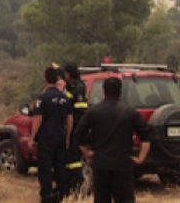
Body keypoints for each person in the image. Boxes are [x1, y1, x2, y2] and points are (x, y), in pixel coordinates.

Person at [74, 77, 150, 203]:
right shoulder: (130, 112)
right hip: (123, 164)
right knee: (125, 199)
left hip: (101, 163)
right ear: (120, 91)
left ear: (103, 91)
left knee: (102, 199)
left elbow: (78, 134)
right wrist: (141, 157)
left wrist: (87, 152)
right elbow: (146, 136)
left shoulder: (93, 111)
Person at [28, 66, 73, 203]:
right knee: (60, 166)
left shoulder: (43, 98)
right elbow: (69, 119)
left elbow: (38, 119)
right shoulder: (64, 98)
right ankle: (61, 193)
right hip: (60, 137)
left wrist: (31, 139)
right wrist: (67, 137)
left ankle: (47, 195)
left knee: (45, 167)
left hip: (47, 138)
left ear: (45, 80)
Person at [63, 61, 88, 193]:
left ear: (68, 74)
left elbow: (67, 106)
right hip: (80, 127)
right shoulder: (81, 85)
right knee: (75, 159)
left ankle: (74, 184)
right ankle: (74, 184)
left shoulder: (72, 88)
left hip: (73, 127)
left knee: (72, 159)